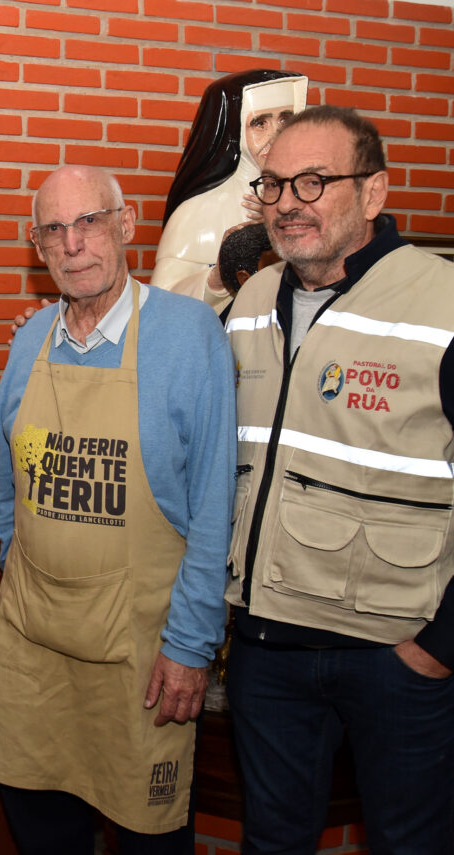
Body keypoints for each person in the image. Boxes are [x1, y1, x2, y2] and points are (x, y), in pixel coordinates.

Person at [0, 165, 234, 852]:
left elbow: (215, 507)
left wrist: (190, 645)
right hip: (34, 650)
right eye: (54, 230)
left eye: (90, 221)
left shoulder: (189, 335)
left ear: (125, 226)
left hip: (142, 660)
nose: (74, 243)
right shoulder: (29, 340)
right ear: (38, 247)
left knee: (150, 835)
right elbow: (11, 491)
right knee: (38, 824)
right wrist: (21, 571)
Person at [223, 105, 454, 854]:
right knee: (273, 843)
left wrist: (438, 646)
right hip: (268, 650)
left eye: (314, 182)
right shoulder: (251, 302)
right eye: (274, 184)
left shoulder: (442, 304)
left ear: (375, 192)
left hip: (395, 655)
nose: (287, 202)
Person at [150, 70, 307, 311]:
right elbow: (161, 304)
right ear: (234, 130)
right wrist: (218, 278)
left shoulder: (311, 198)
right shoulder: (197, 212)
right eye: (260, 123)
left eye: (285, 119)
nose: (276, 135)